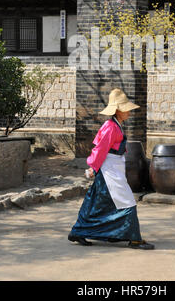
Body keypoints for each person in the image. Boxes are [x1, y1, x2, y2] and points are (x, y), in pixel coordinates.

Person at [68, 88, 154, 250]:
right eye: (125, 108)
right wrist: (93, 166)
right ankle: (133, 238)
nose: (128, 111)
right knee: (127, 201)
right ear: (117, 111)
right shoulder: (110, 127)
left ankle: (79, 231)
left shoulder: (116, 125)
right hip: (109, 170)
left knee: (99, 203)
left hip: (114, 168)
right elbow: (100, 149)